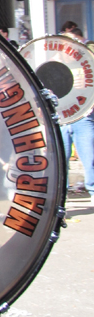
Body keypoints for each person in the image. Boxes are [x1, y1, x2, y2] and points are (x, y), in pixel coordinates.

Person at [59, 24, 94, 203]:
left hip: (83, 118)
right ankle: (61, 197)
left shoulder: (88, 64)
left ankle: (93, 190)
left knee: (90, 157)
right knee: (60, 161)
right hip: (61, 120)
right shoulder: (54, 65)